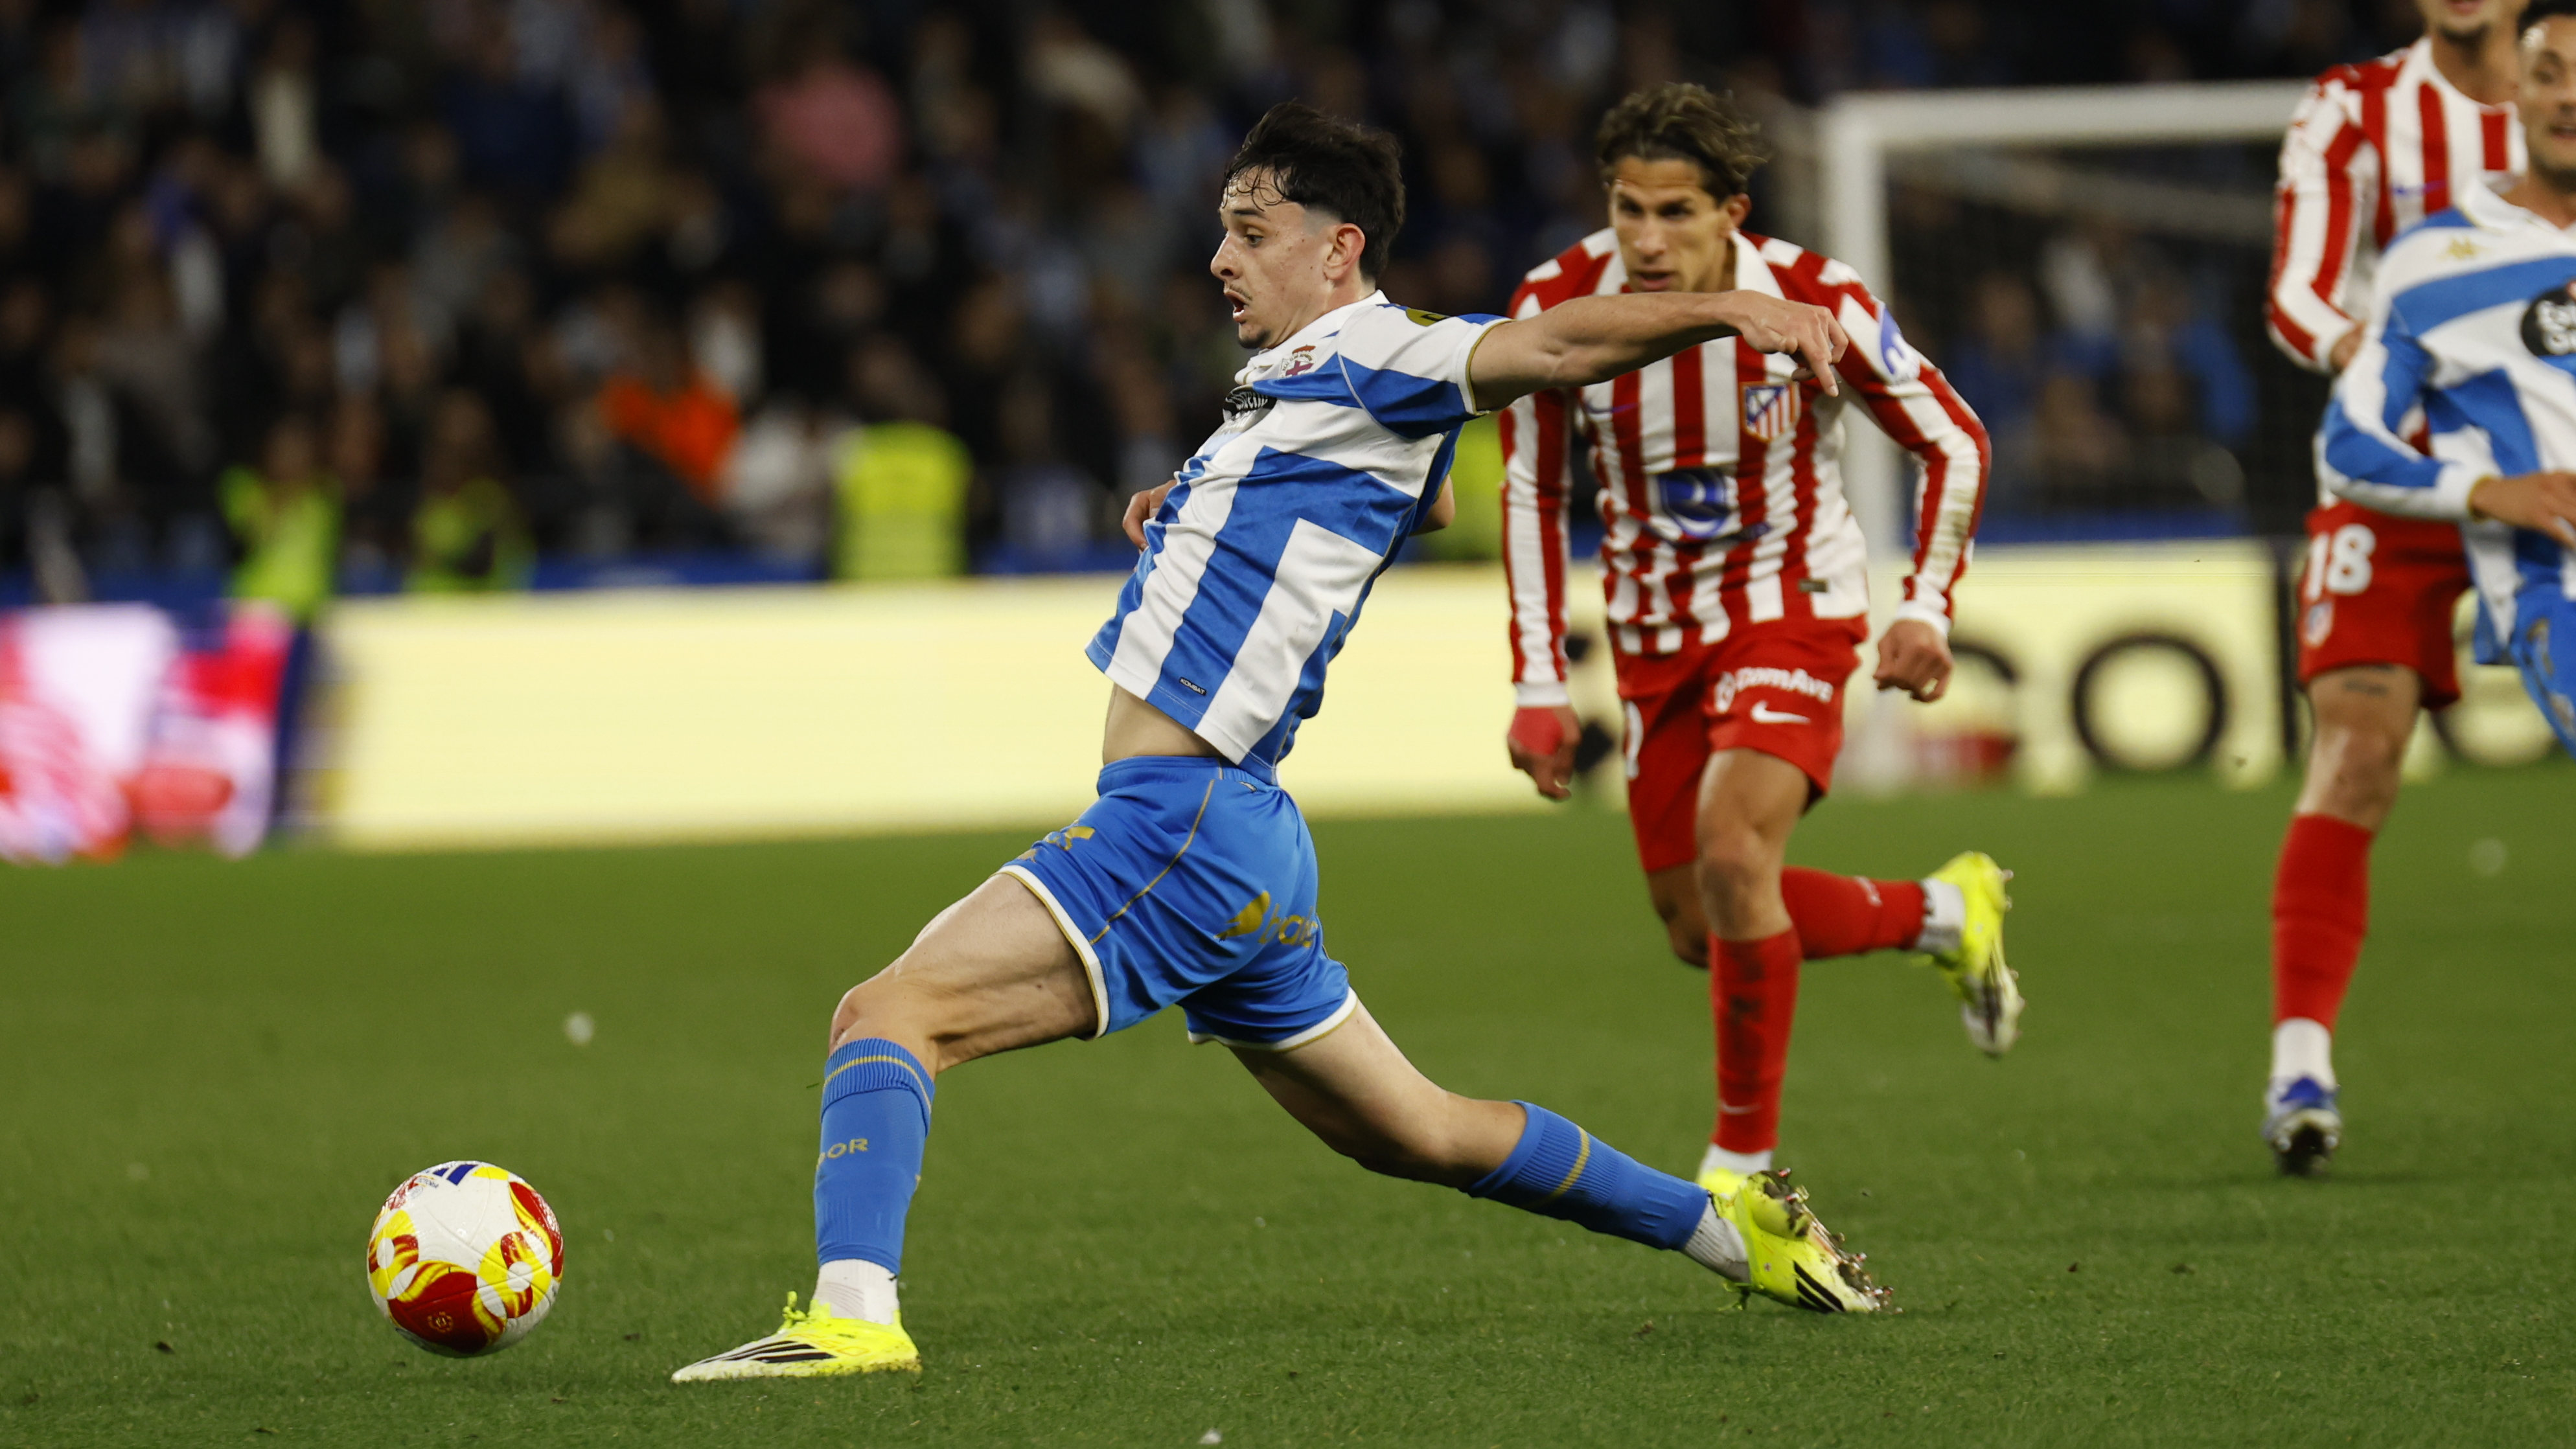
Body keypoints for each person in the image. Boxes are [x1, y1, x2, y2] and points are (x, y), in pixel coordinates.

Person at [674, 102, 1889, 1385]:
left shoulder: (1384, 350)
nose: (1219, 259)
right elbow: (1393, 501)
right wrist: (1197, 501)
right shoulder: (1296, 388)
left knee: (887, 1014)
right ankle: (1726, 1228)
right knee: (1418, 1133)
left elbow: (1554, 345)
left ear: (1338, 248)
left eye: (1251, 232)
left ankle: (851, 1318)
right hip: (1240, 839)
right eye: (1219, 232)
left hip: (1179, 822)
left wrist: (1735, 313)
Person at [1497, 84, 2012, 1200]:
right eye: (1626, 208)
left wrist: (1926, 604)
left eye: (1675, 212)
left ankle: (1742, 1173)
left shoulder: (1819, 299)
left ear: (1733, 209)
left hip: (1793, 606)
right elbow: (1534, 492)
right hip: (1651, 636)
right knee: (1700, 924)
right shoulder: (1555, 302)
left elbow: (1955, 442)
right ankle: (1940, 911)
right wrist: (1538, 679)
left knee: (1736, 854)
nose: (1644, 239)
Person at [2259, 0, 2524, 1176]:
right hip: (2394, 470)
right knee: (2359, 753)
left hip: (2553, 468)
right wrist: (2403, 359)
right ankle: (2301, 1062)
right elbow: (2298, 296)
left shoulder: (2563, 103)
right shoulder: (2355, 107)